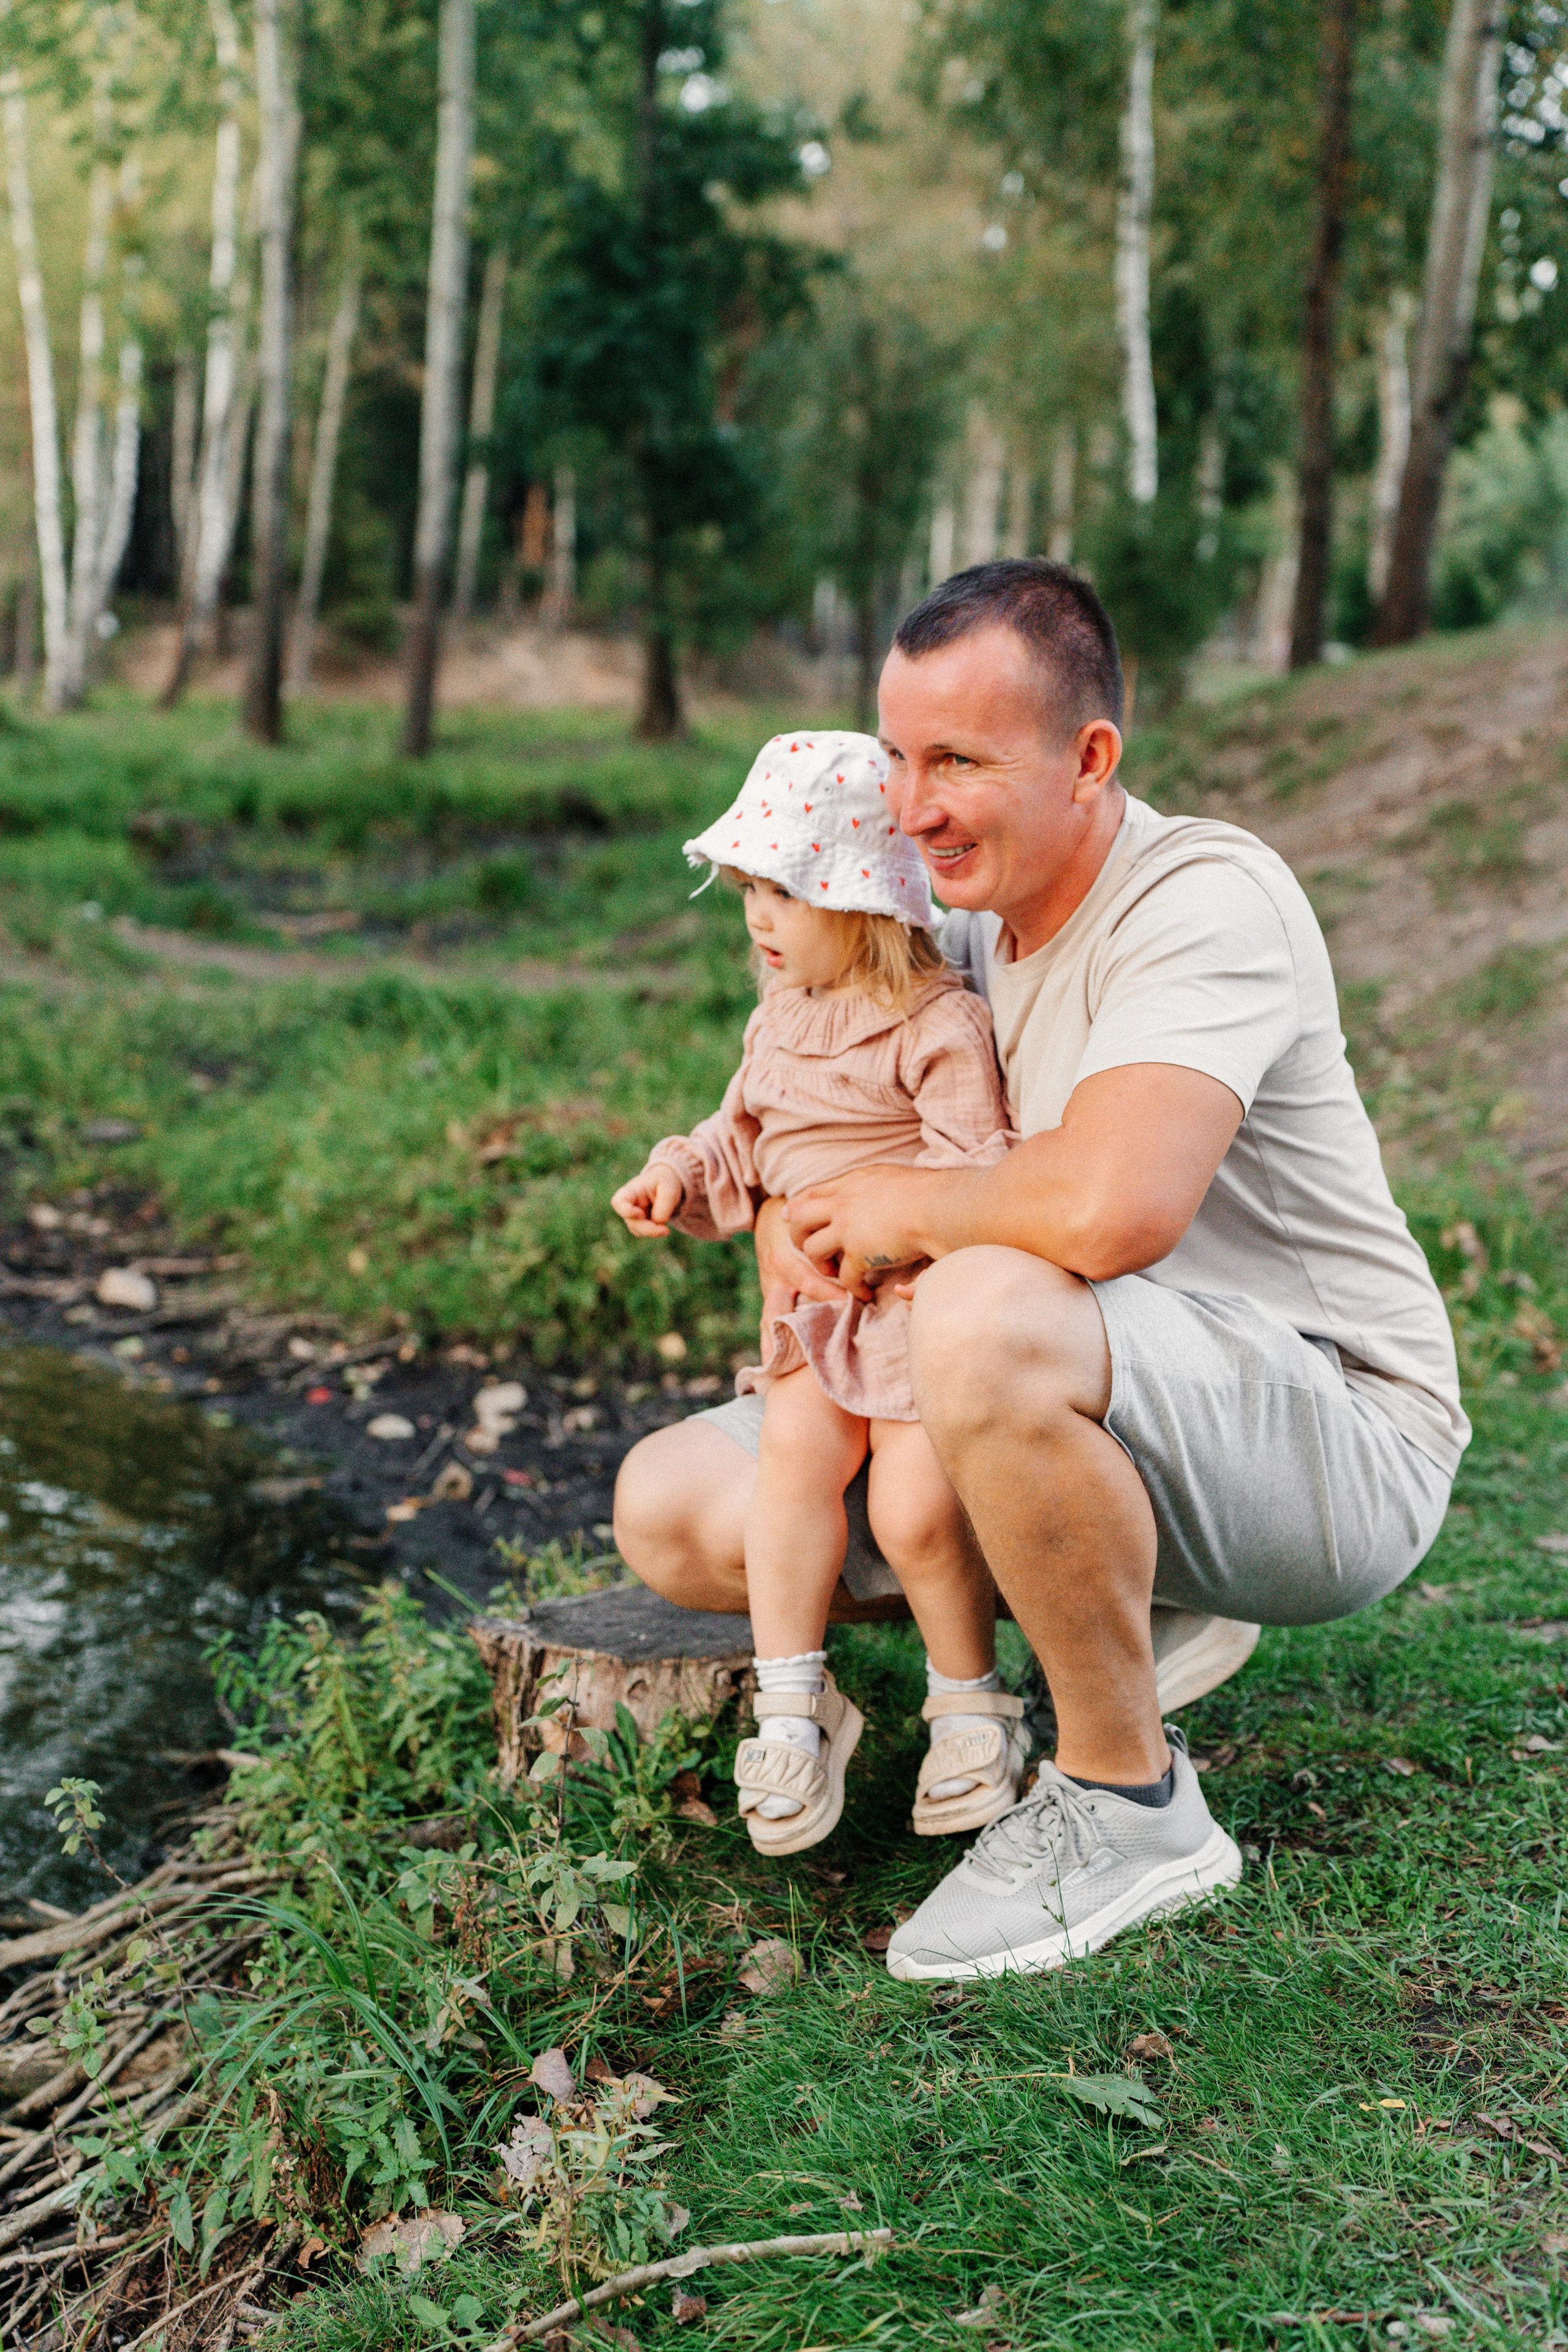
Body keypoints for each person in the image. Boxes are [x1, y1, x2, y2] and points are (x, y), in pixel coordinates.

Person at [614, 561, 1466, 1980]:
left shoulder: (1203, 897)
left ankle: (1127, 1804)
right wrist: (751, 1197)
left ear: (1087, 760)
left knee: (983, 1300)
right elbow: (814, 1116)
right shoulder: (949, 928)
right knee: (677, 1511)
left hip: (1329, 1438)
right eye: (895, 756)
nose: (911, 804)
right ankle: (1072, 1623)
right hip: (1110, 1389)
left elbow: (1105, 1209)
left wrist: (887, 1205)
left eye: (958, 760)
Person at [610, 730, 1025, 1856]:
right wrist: (677, 1176)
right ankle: (794, 1699)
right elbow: (737, 1134)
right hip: (811, 1324)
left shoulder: (938, 1025)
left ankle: (972, 1704)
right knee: (791, 1478)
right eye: (750, 888)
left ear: (869, 899)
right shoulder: (779, 1021)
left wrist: (868, 1231)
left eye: (786, 891)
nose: (758, 915)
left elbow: (975, 1166)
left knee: (912, 1510)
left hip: (914, 1316)